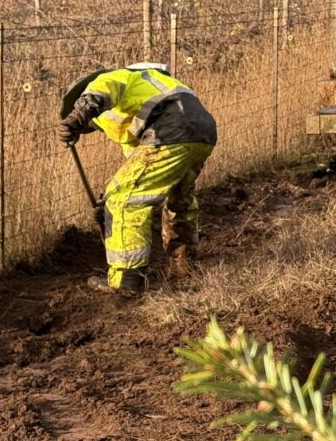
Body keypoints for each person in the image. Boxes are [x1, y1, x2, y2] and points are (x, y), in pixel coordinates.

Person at [58, 63, 217, 295]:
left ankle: (126, 279)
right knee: (178, 199)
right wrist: (106, 205)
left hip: (169, 128)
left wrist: (77, 115)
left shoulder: (113, 78)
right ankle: (184, 268)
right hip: (201, 132)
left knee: (124, 198)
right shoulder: (150, 89)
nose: (94, 126)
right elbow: (139, 169)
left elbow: (103, 89)